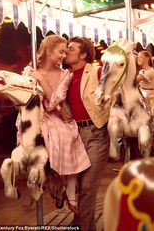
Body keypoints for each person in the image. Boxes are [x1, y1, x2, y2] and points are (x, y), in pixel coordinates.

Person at [22, 35, 91, 214]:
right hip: (38, 115)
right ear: (48, 51)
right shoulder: (30, 70)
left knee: (68, 136)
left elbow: (53, 102)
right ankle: (49, 177)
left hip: (55, 116)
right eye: (61, 51)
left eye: (66, 51)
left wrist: (41, 79)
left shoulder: (65, 75)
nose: (64, 55)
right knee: (35, 134)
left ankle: (68, 188)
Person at [64, 36, 110, 230]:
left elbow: (116, 83)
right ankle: (84, 225)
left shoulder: (97, 71)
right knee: (77, 187)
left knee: (88, 187)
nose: (66, 51)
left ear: (83, 54)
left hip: (96, 132)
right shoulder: (64, 76)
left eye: (71, 49)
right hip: (76, 134)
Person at [136, 51, 154, 152]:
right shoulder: (141, 71)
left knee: (150, 117)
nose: (138, 59)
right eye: (138, 57)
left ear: (147, 58)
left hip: (149, 98)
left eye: (141, 57)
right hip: (142, 96)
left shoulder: (151, 72)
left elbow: (136, 80)